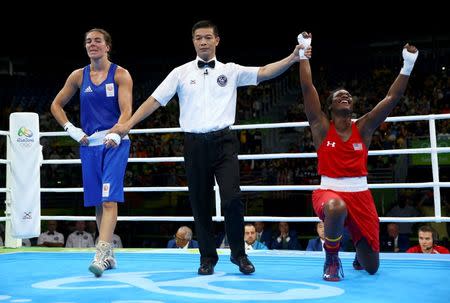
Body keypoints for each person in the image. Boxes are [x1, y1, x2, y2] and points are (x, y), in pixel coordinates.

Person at [110, 20, 302, 275]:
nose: (203, 41)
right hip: (194, 144)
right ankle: (207, 258)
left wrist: (292, 57)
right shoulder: (179, 73)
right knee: (200, 204)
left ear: (216, 40)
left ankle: (239, 255)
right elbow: (154, 100)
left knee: (233, 199)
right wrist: (128, 124)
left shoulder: (231, 70)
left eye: (207, 37)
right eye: (198, 37)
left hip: (224, 143)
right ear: (193, 41)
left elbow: (265, 71)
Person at [298, 32, 418, 281]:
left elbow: (391, 98)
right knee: (335, 206)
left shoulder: (363, 127)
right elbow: (307, 86)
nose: (345, 96)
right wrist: (303, 52)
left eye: (348, 96)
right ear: (330, 106)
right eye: (339, 95)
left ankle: (357, 250)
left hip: (361, 196)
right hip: (329, 192)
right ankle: (331, 260)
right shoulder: (321, 127)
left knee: (371, 267)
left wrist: (408, 64)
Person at [50, 28, 132, 277]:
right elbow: (56, 105)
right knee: (98, 203)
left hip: (115, 143)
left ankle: (101, 252)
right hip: (89, 146)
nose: (92, 44)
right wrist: (71, 129)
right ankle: (110, 256)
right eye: (88, 41)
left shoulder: (120, 74)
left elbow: (127, 111)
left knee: (109, 200)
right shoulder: (78, 76)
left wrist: (117, 132)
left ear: (108, 46)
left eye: (97, 40)